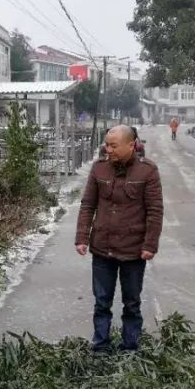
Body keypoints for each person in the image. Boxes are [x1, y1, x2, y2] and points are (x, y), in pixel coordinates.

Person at [75, 125, 164, 352]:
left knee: (132, 303)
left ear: (131, 145)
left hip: (133, 251)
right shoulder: (99, 169)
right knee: (101, 301)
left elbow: (155, 210)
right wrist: (82, 237)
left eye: (114, 145)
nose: (108, 149)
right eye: (107, 144)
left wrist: (150, 244)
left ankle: (130, 346)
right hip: (102, 247)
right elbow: (88, 205)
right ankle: (101, 345)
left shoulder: (147, 171)